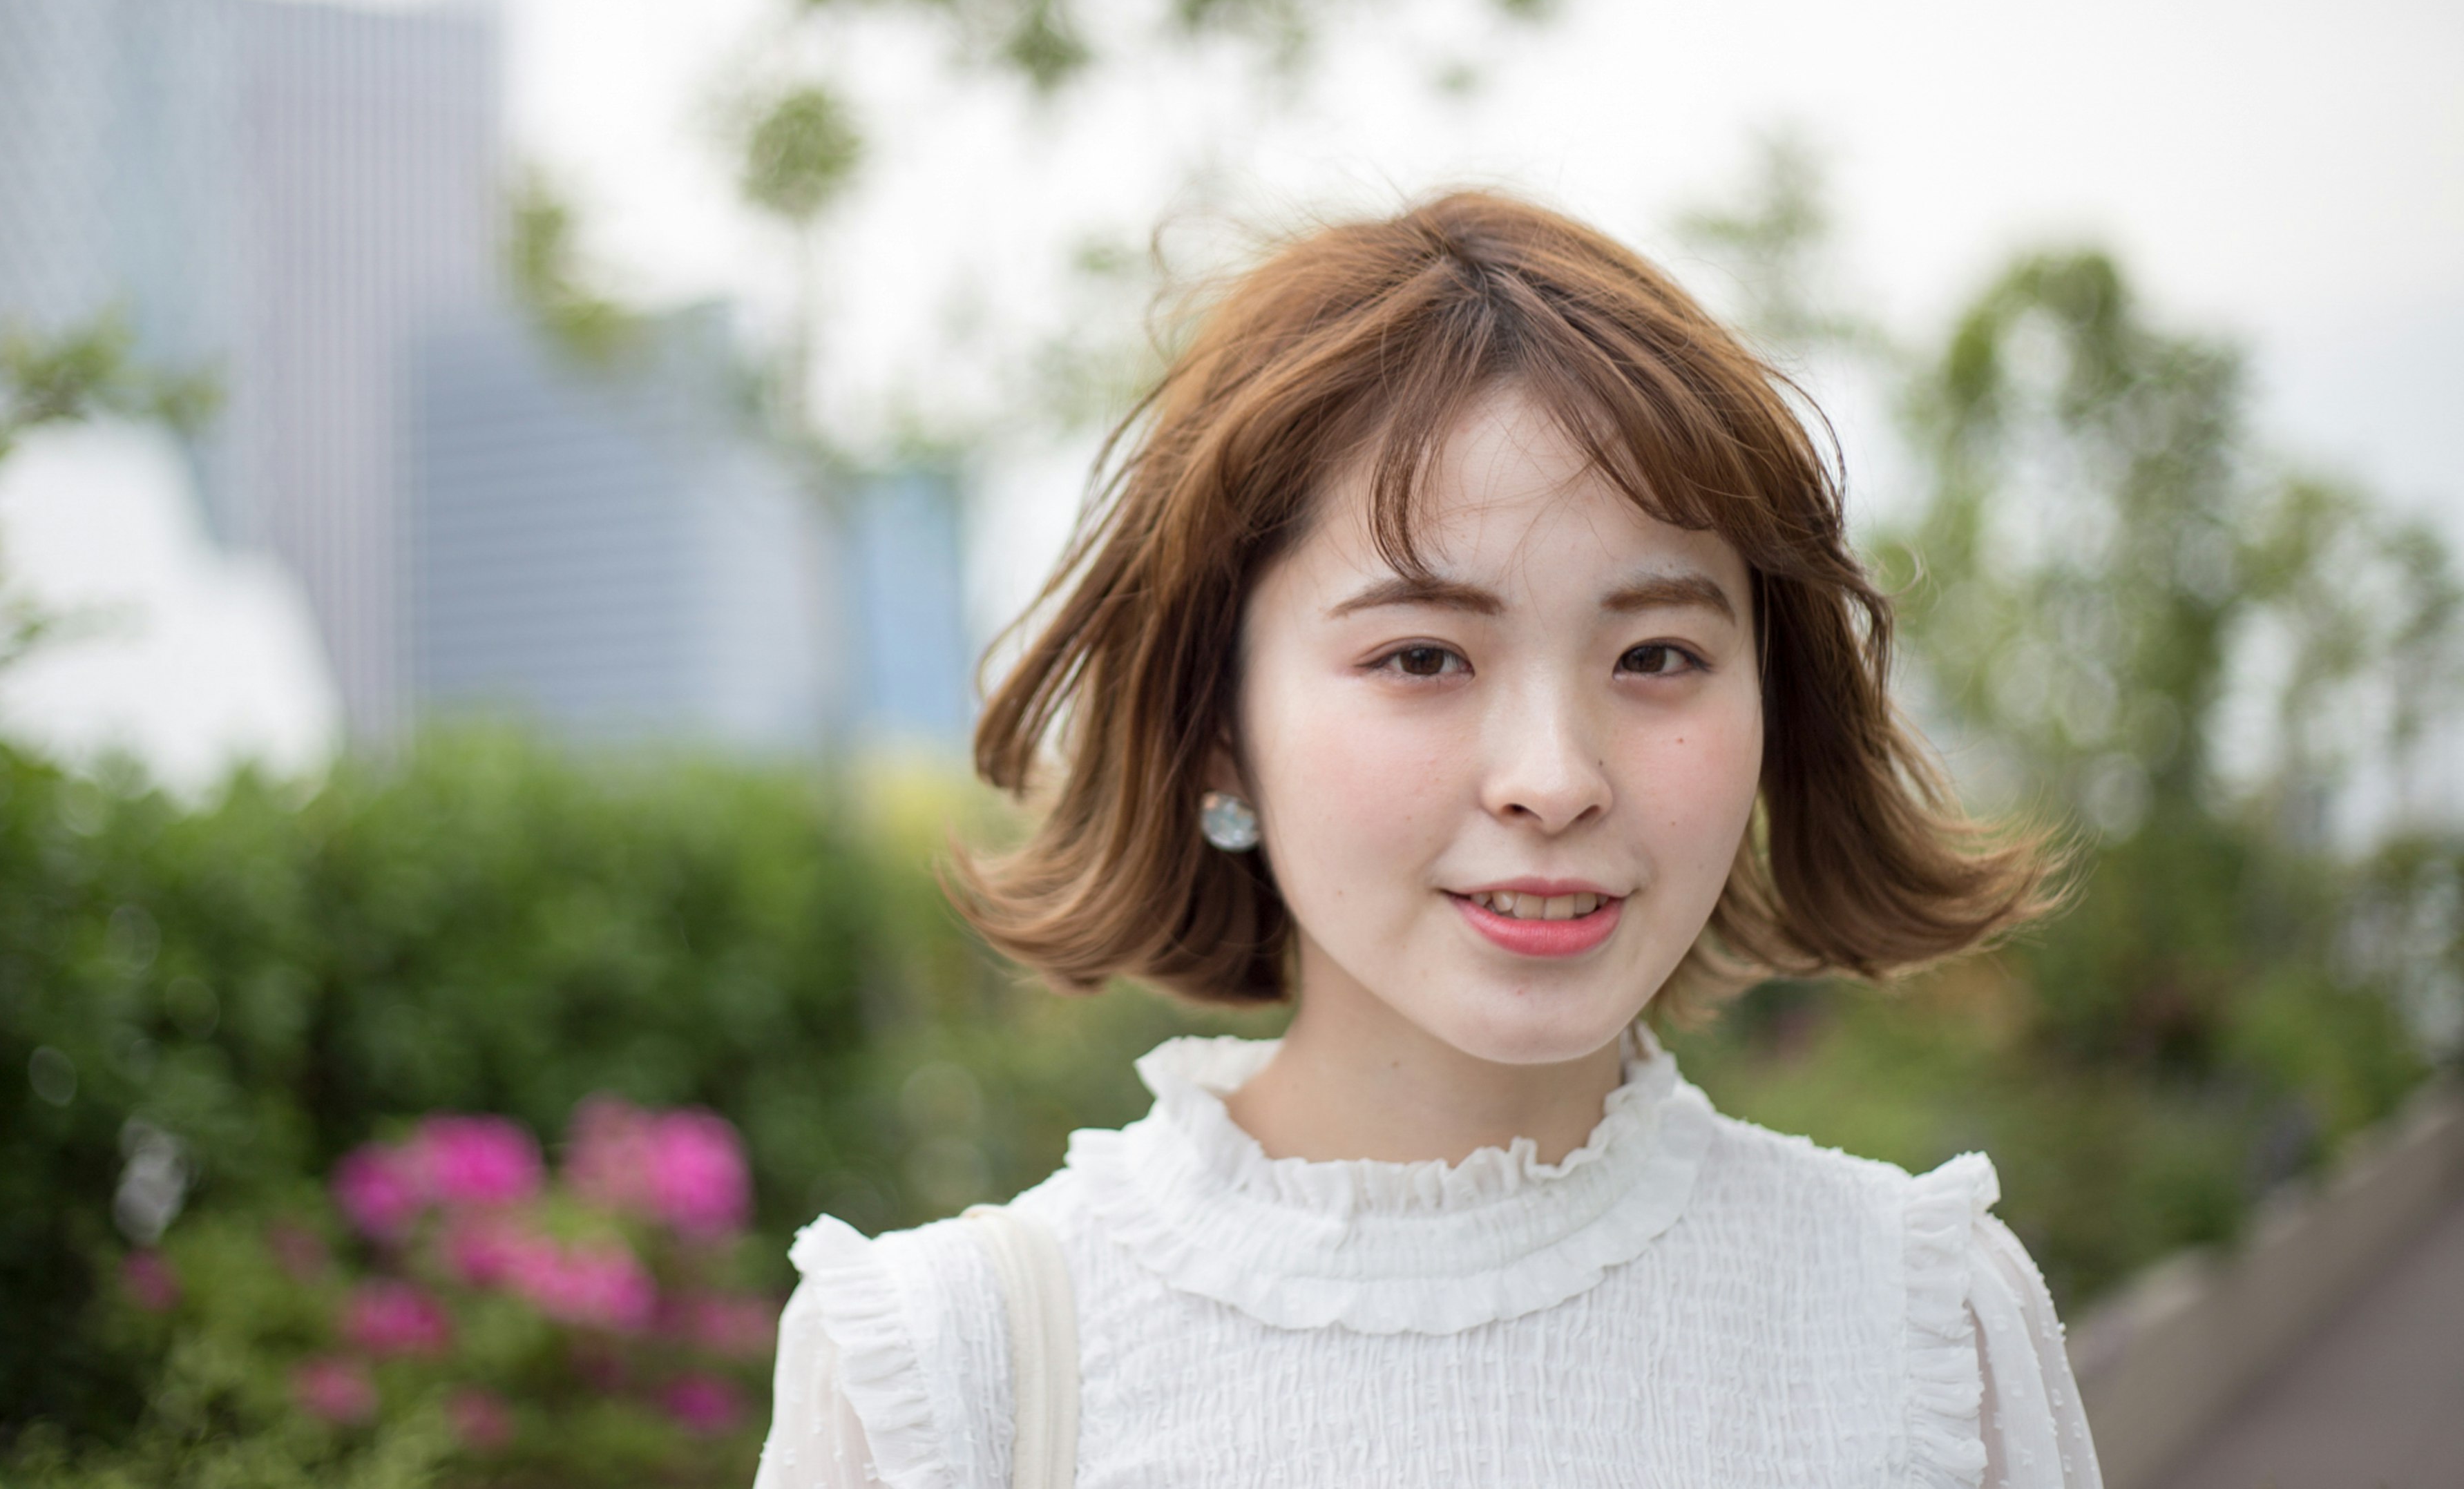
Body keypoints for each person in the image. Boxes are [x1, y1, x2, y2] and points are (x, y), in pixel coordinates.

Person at [754, 192, 2101, 1487]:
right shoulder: (945, 1376)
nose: (1554, 777)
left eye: (1656, 652)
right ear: (1220, 729)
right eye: (1421, 654)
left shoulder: (1927, 1329)